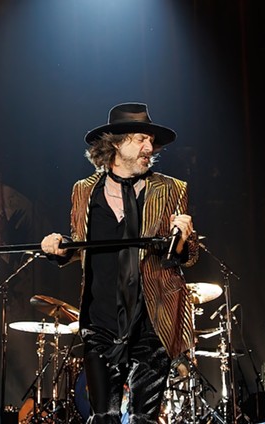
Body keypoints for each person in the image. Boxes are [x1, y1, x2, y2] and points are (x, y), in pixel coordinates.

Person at [40, 102, 199, 423]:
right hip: (100, 320)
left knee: (143, 418)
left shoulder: (170, 189)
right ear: (115, 142)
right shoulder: (83, 191)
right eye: (141, 139)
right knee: (103, 415)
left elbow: (188, 255)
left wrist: (182, 237)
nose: (149, 147)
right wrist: (57, 248)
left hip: (153, 321)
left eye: (151, 141)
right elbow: (79, 243)